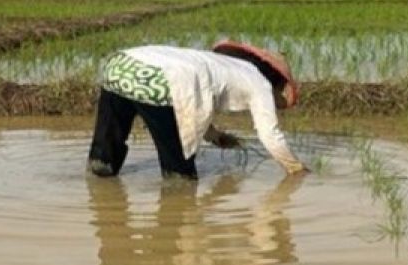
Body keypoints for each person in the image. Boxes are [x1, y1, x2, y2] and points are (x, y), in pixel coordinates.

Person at [88, 41, 308, 179]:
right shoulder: (260, 83)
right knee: (179, 172)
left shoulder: (222, 63)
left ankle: (101, 173)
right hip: (159, 80)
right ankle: (176, 208)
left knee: (105, 152)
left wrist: (216, 136)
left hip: (119, 65)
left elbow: (198, 101)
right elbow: (270, 135)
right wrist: (295, 168)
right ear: (278, 82)